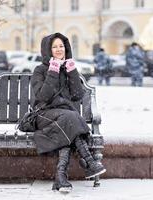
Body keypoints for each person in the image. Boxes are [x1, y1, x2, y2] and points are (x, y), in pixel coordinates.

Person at [31, 33, 106, 193]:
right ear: (47, 50)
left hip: (64, 119)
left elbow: (78, 95)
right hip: (43, 115)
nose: (59, 49)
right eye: (55, 46)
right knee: (70, 118)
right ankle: (89, 162)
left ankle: (61, 178)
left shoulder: (68, 69)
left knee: (67, 123)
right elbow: (43, 97)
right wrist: (53, 70)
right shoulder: (40, 70)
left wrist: (72, 72)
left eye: (61, 46)